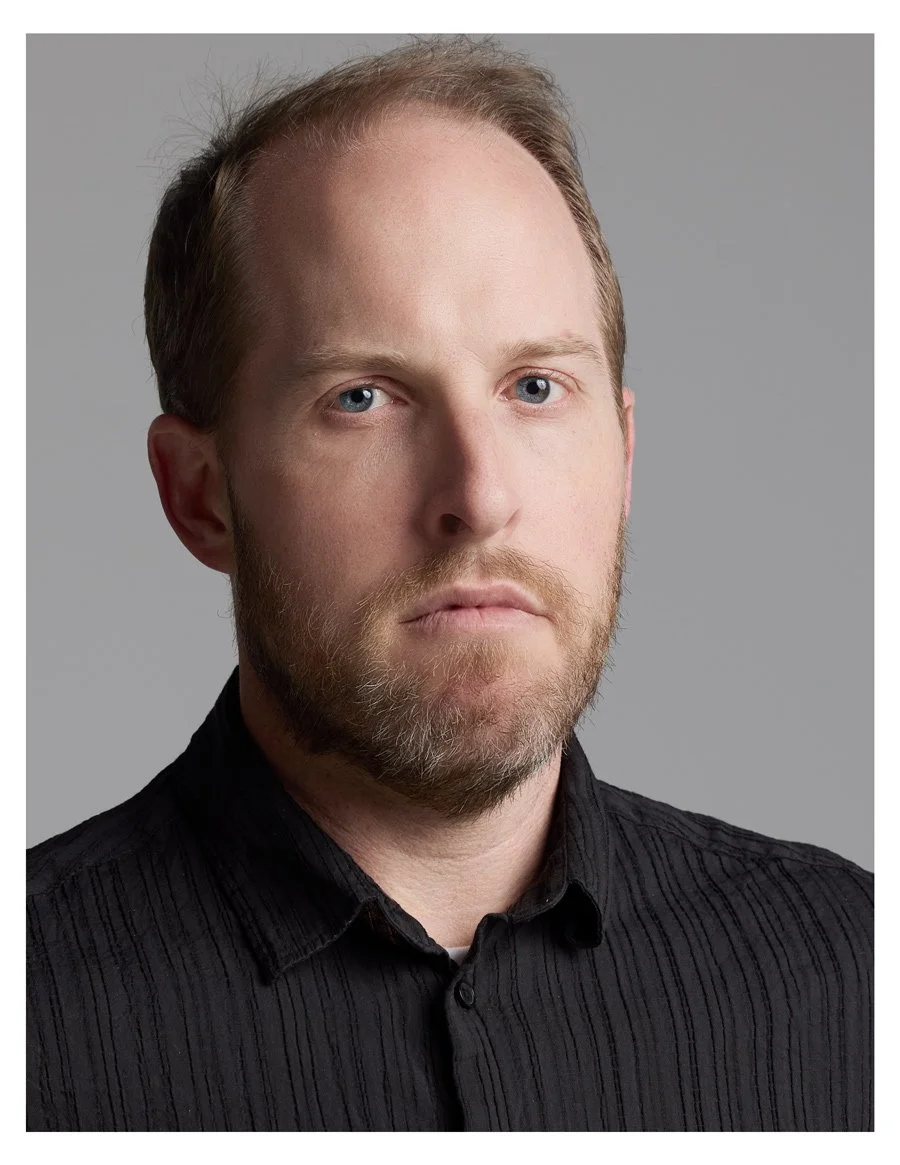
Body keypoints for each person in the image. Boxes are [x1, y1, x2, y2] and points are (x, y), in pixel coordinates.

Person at [27, 35, 872, 1132]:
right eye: (363, 398)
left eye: (533, 385)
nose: (479, 496)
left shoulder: (855, 979)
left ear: (623, 455)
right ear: (201, 495)